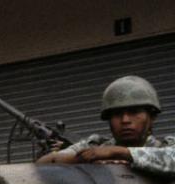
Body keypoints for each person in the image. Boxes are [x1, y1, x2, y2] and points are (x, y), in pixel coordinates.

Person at [36, 75, 175, 176]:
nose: (125, 120)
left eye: (134, 112)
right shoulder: (95, 146)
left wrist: (119, 153)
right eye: (116, 114)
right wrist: (85, 158)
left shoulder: (166, 147)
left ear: (152, 117)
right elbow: (44, 163)